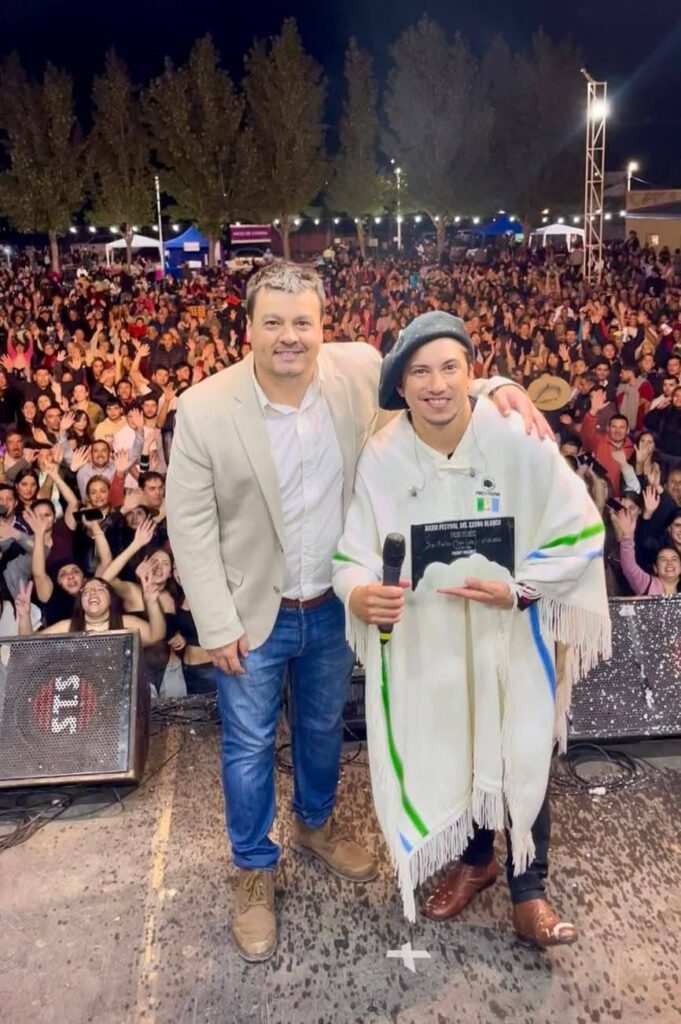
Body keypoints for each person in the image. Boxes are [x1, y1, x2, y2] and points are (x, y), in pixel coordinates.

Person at [166, 262, 548, 963]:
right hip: (251, 614)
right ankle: (252, 868)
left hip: (333, 605)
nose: (289, 336)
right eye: (273, 322)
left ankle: (314, 825)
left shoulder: (356, 371)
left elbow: (432, 383)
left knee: (321, 729)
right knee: (248, 744)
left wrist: (499, 386)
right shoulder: (204, 408)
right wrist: (215, 622)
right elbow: (189, 525)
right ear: (247, 328)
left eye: (302, 322)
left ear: (323, 326)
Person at [332, 311, 611, 947]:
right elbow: (351, 555)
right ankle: (476, 859)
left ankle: (529, 889)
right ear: (400, 385)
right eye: (420, 372)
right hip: (430, 644)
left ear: (471, 372)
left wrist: (520, 589)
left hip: (509, 634)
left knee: (520, 743)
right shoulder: (383, 456)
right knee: (460, 743)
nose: (436, 384)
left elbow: (580, 530)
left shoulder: (515, 436)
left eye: (450, 368)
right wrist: (361, 593)